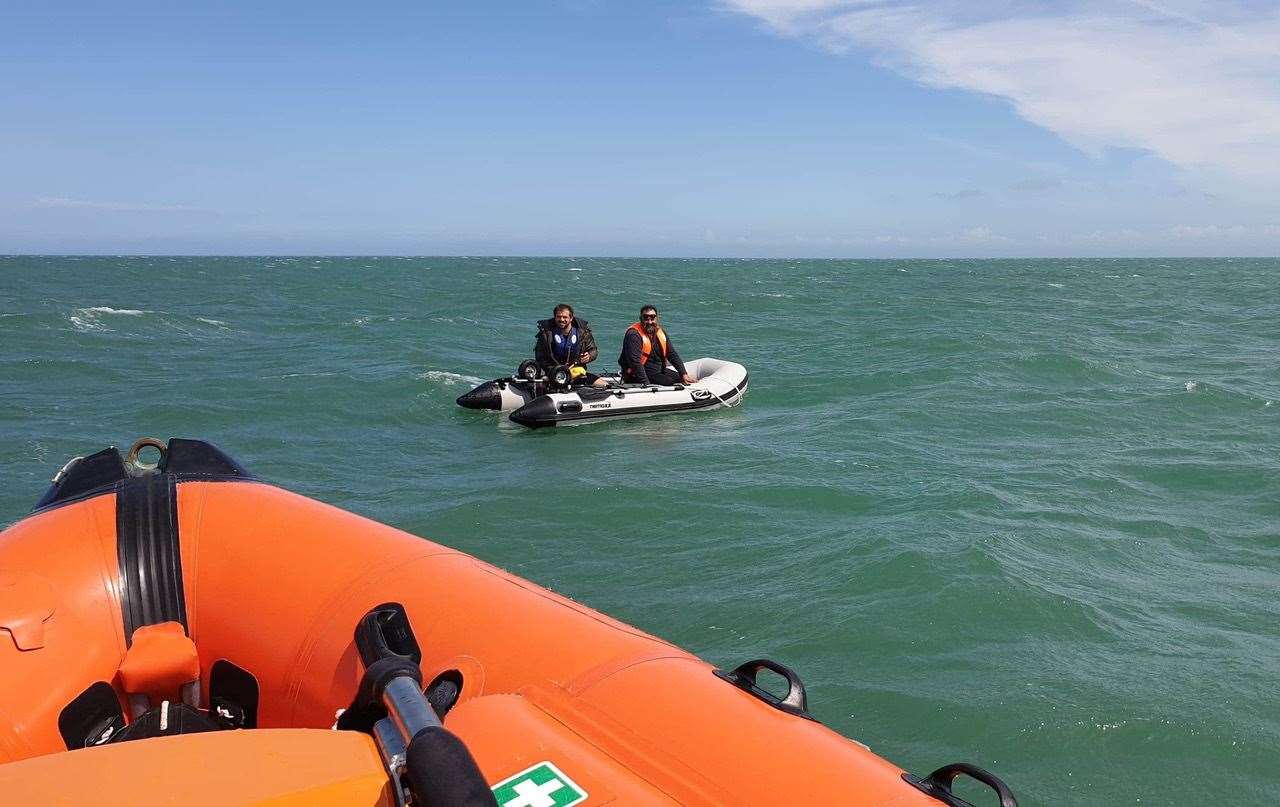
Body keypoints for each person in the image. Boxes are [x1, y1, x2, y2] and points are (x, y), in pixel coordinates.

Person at [534, 303, 609, 388]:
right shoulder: (546, 334)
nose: (561, 319)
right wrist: (554, 370)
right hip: (552, 373)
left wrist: (589, 356)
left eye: (565, 317)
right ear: (555, 318)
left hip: (575, 372)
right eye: (559, 317)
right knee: (540, 386)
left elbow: (593, 350)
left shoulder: (583, 332)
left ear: (571, 318)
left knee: (605, 385)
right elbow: (540, 357)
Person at [618, 305, 695, 386]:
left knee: (681, 379)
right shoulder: (633, 335)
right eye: (646, 318)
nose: (649, 322)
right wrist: (646, 383)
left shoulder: (660, 333)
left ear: (657, 318)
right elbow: (634, 362)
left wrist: (683, 373)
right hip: (637, 374)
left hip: (659, 371)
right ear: (640, 319)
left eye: (652, 318)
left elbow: (672, 354)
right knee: (670, 383)